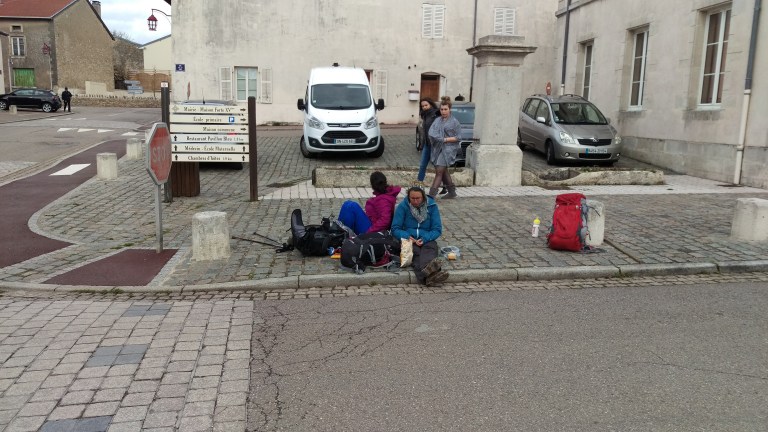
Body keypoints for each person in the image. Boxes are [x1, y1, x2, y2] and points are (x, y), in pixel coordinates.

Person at [391, 186, 449, 286]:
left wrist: (425, 238)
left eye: (418, 198)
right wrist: (408, 236)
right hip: (409, 239)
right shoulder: (403, 206)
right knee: (415, 253)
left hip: (426, 238)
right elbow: (395, 228)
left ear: (423, 197)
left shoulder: (432, 206)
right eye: (412, 198)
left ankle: (427, 274)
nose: (415, 201)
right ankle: (431, 274)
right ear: (408, 197)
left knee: (430, 249)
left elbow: (437, 229)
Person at [337, 171, 401, 235]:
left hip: (372, 230)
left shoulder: (383, 200)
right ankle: (340, 231)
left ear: (372, 185)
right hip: (371, 223)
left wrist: (369, 232)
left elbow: (385, 220)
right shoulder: (385, 195)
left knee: (351, 206)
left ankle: (340, 233)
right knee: (348, 204)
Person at [427, 96, 462, 199]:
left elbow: (459, 137)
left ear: (450, 109)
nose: (443, 111)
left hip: (449, 149)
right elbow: (431, 132)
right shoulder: (437, 120)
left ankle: (431, 195)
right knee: (443, 171)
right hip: (438, 148)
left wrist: (445, 139)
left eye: (445, 109)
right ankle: (452, 192)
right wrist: (439, 138)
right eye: (441, 109)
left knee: (439, 171)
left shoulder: (455, 122)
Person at [417, 98, 439, 185]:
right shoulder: (424, 115)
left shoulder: (435, 115)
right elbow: (424, 132)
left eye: (426, 105)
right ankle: (419, 184)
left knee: (438, 167)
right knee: (422, 165)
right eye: (422, 106)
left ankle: (446, 186)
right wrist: (421, 145)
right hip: (427, 144)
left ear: (431, 104)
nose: (424, 107)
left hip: (435, 145)